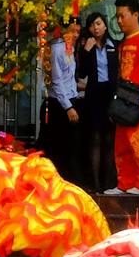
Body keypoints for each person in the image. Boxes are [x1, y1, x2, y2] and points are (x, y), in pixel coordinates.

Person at [110, 0, 139, 195]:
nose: (119, 21)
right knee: (122, 145)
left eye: (123, 16)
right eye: (117, 17)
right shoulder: (122, 43)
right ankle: (125, 183)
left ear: (135, 14)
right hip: (123, 99)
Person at [74, 11, 117, 194]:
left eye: (98, 23)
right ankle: (95, 183)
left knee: (110, 139)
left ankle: (109, 183)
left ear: (105, 25)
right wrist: (85, 51)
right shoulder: (87, 46)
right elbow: (81, 74)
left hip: (110, 94)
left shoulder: (113, 45)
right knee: (95, 139)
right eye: (92, 25)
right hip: (93, 94)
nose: (95, 28)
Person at [40, 17, 82, 184]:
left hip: (70, 100)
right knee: (58, 148)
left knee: (70, 148)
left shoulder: (69, 49)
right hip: (60, 104)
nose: (76, 35)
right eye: (72, 31)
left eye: (78, 31)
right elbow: (57, 81)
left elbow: (69, 78)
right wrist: (68, 107)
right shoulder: (57, 49)